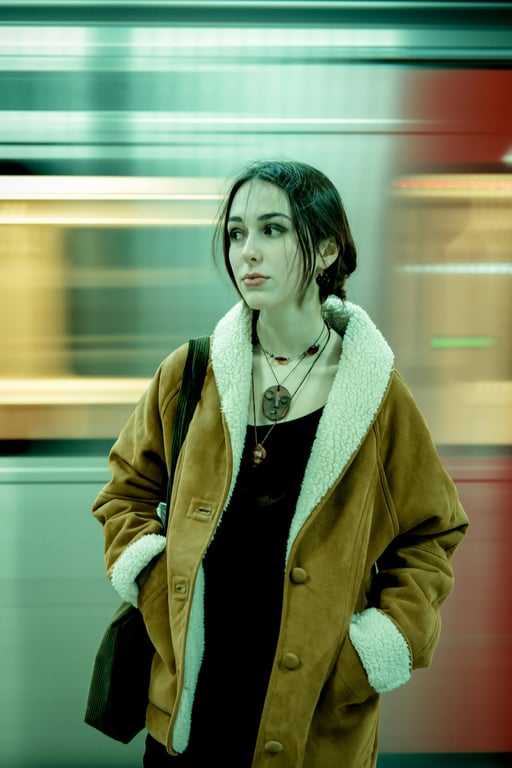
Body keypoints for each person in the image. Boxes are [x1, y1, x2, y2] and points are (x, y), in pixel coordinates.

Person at [92, 159, 469, 767]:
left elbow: (432, 532)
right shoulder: (191, 374)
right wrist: (158, 584)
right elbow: (124, 493)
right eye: (236, 233)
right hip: (192, 706)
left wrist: (376, 647)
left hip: (313, 714)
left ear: (326, 250)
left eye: (272, 229)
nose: (248, 251)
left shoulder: (376, 396)